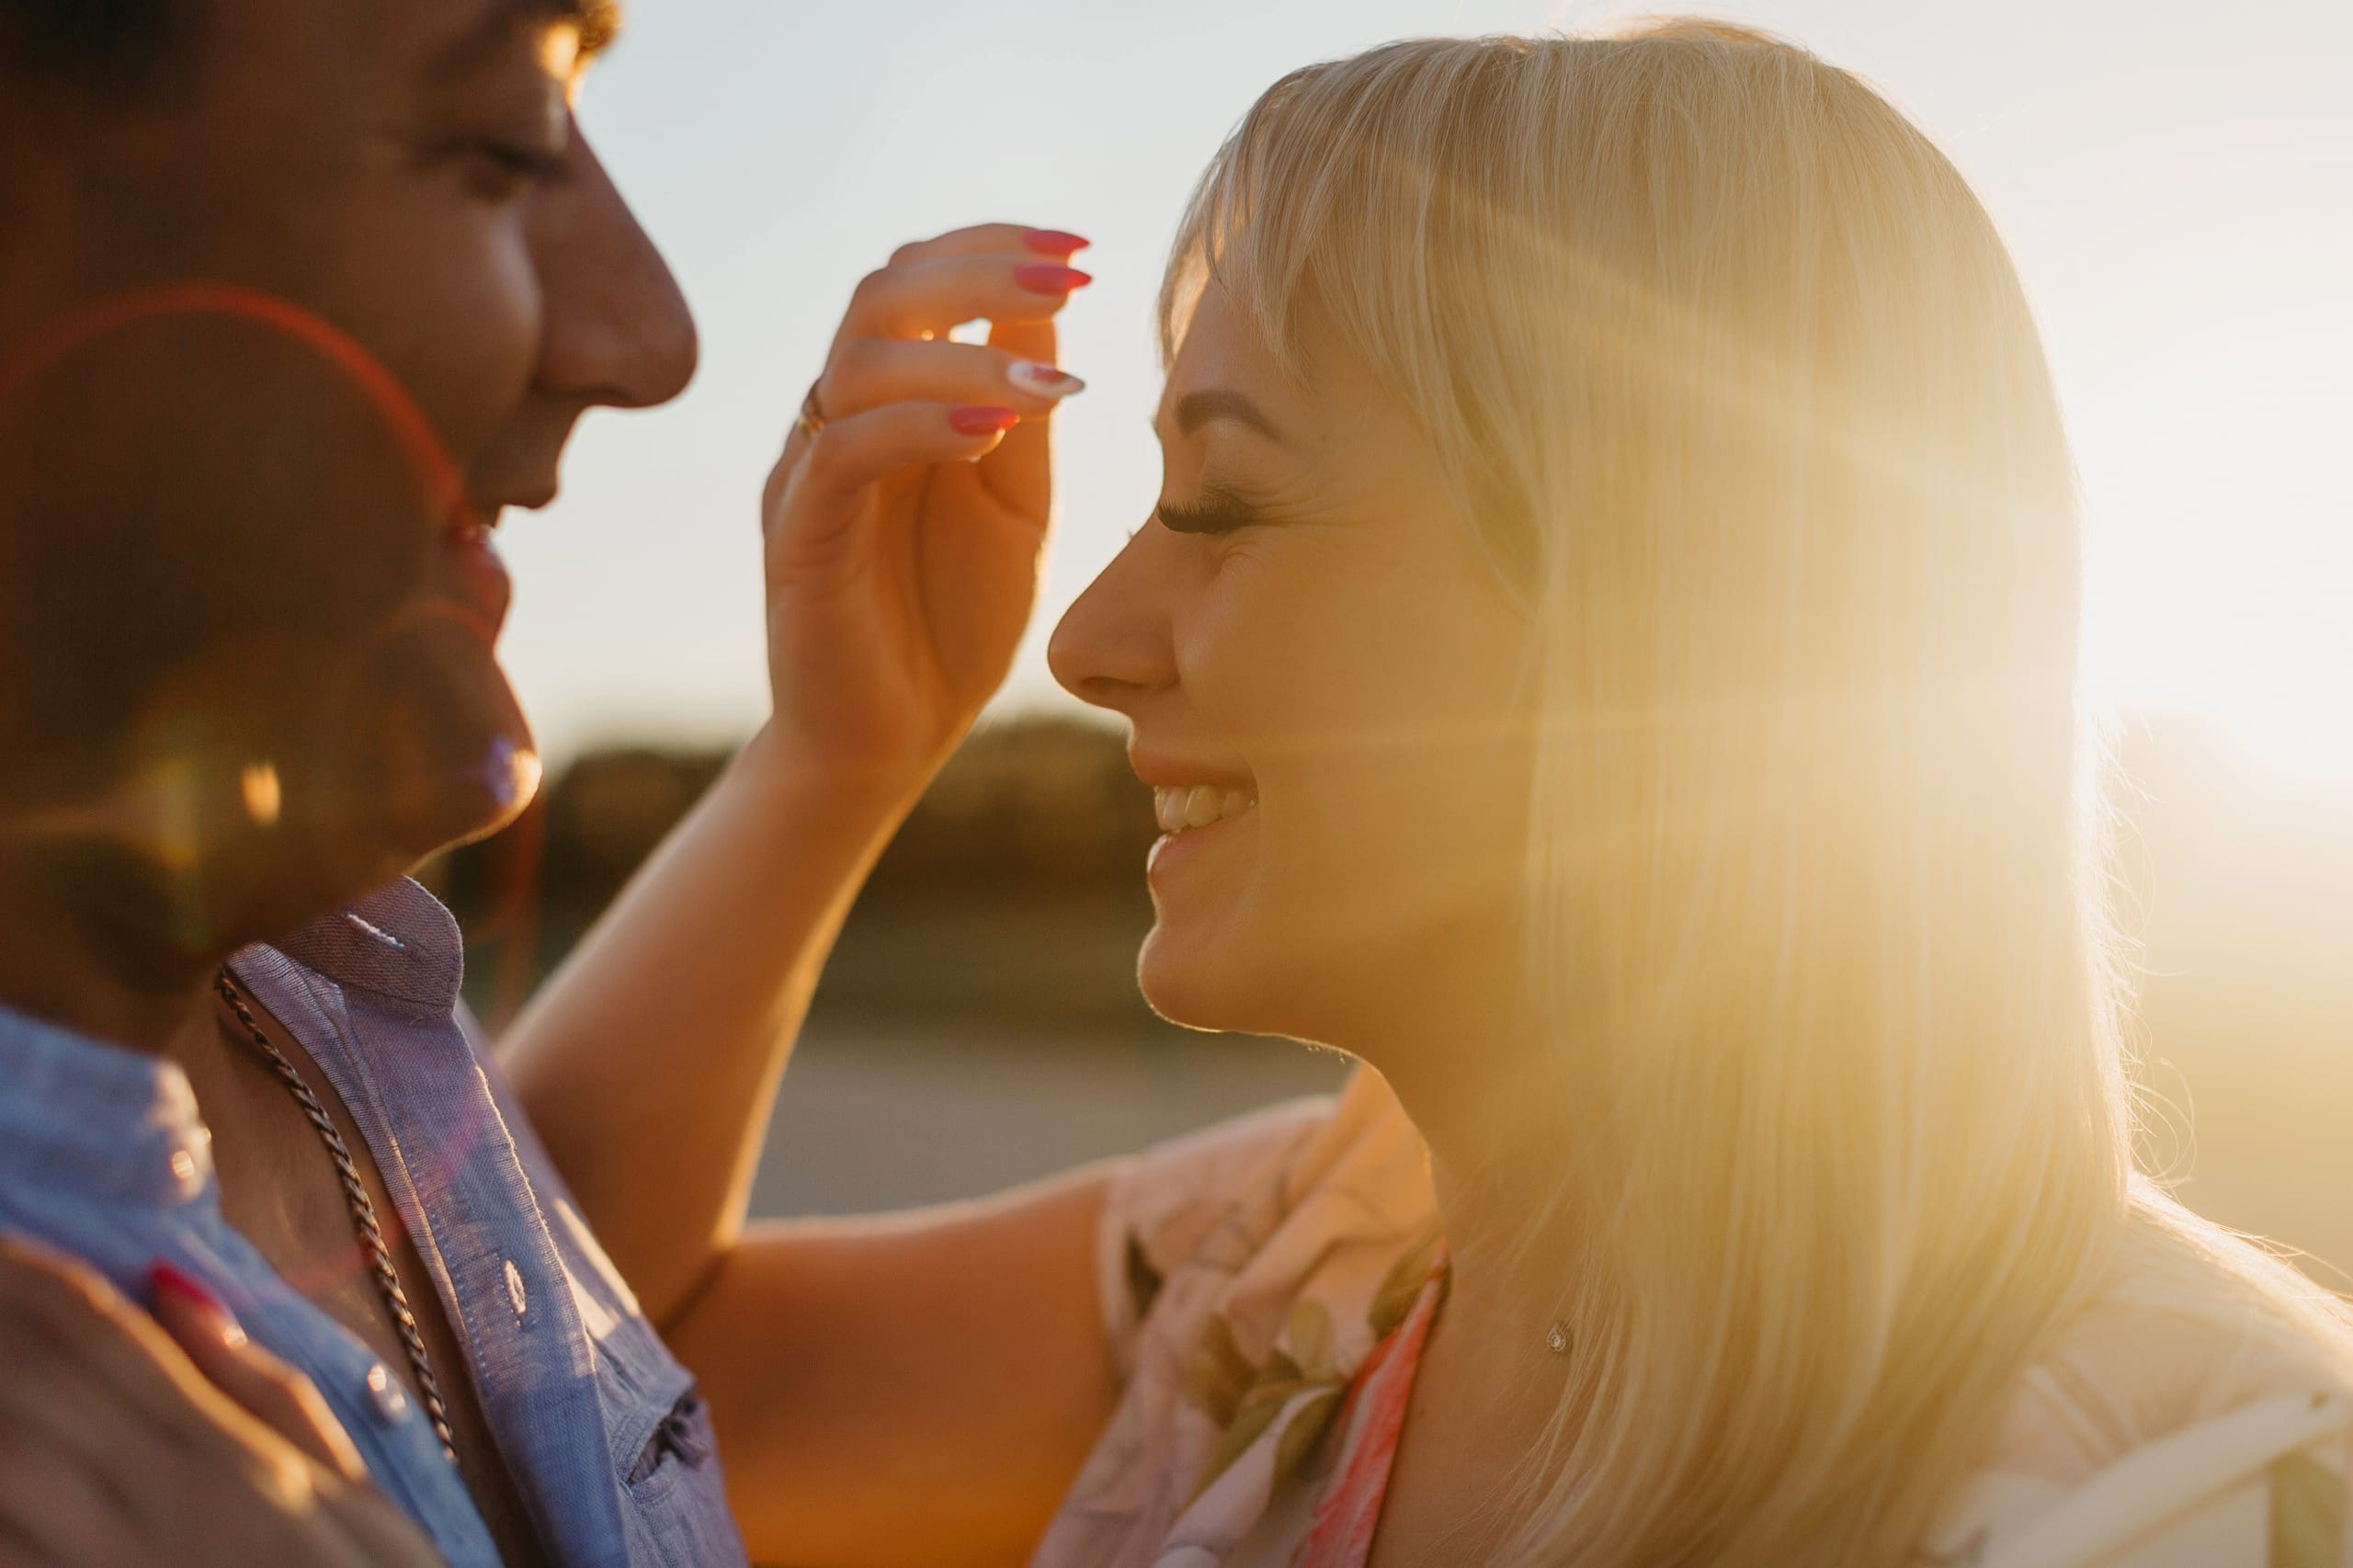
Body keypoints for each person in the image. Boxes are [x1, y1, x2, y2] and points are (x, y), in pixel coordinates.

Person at [508, 22, 2353, 1568]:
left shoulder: (2188, 1494)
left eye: (1220, 505)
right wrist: (838, 754)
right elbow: (532, 1387)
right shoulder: (1311, 1273)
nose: (1081, 639)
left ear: (1656, 612)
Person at [0, 0, 1091, 1562]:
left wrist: (838, 760)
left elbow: (562, 1305)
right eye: (508, 141)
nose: (651, 336)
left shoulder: (304, 1006)